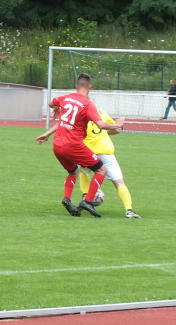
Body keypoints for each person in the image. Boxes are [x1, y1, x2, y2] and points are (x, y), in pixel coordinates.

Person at [35, 73, 124, 217]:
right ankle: (87, 201)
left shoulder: (66, 98)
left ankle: (67, 199)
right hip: (73, 145)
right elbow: (100, 124)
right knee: (102, 170)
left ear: (77, 86)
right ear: (90, 87)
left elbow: (51, 103)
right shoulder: (88, 104)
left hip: (57, 145)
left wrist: (56, 109)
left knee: (73, 171)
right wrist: (118, 125)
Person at [76, 108, 141, 219]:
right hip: (105, 151)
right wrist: (109, 129)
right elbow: (116, 130)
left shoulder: (79, 114)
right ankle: (129, 210)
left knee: (83, 172)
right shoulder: (101, 112)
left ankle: (85, 199)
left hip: (87, 151)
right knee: (119, 182)